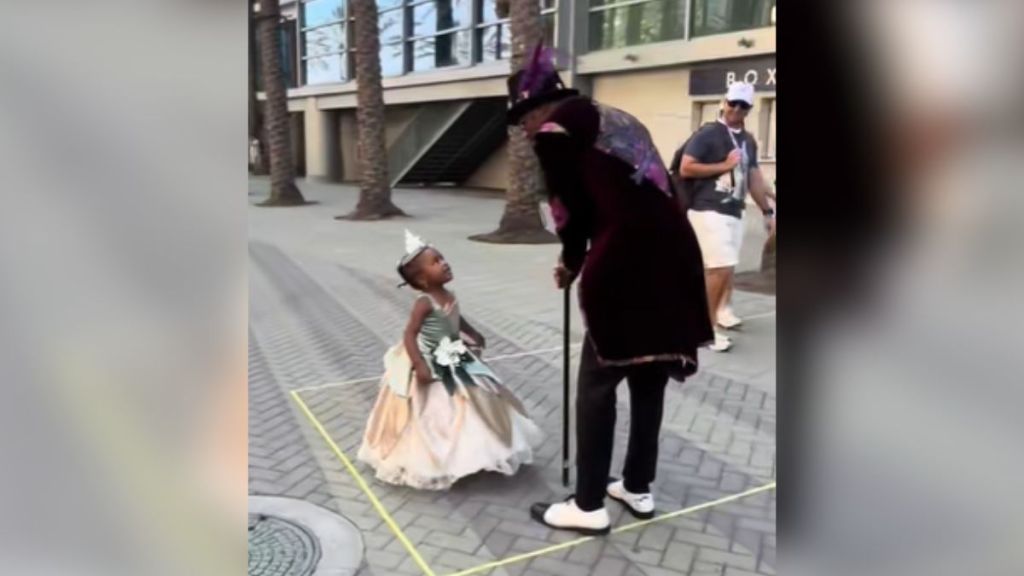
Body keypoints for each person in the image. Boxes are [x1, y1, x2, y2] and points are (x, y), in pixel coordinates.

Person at [507, 45, 713, 535]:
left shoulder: (556, 132)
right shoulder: (613, 116)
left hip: (625, 266)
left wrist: (571, 260)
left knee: (597, 384)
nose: (525, 131)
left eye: (523, 121)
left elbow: (567, 209)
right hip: (677, 257)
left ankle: (588, 503)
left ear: (537, 110)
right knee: (649, 376)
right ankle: (637, 486)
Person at [356, 230, 544, 490]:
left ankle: (480, 449)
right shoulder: (425, 302)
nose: (444, 263)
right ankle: (436, 460)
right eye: (435, 262)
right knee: (436, 410)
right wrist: (420, 365)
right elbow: (410, 334)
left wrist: (472, 332)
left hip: (454, 353)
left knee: (477, 399)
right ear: (422, 280)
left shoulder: (450, 294)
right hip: (431, 359)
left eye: (442, 258)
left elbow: (456, 316)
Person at [679, 82, 776, 351]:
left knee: (727, 267)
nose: (736, 109)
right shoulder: (709, 134)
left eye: (743, 105)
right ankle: (705, 329)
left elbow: (754, 177)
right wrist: (724, 165)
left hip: (734, 210)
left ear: (750, 109)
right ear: (724, 102)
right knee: (718, 268)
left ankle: (720, 313)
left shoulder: (748, 140)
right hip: (708, 209)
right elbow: (687, 168)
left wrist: (768, 209)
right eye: (733, 103)